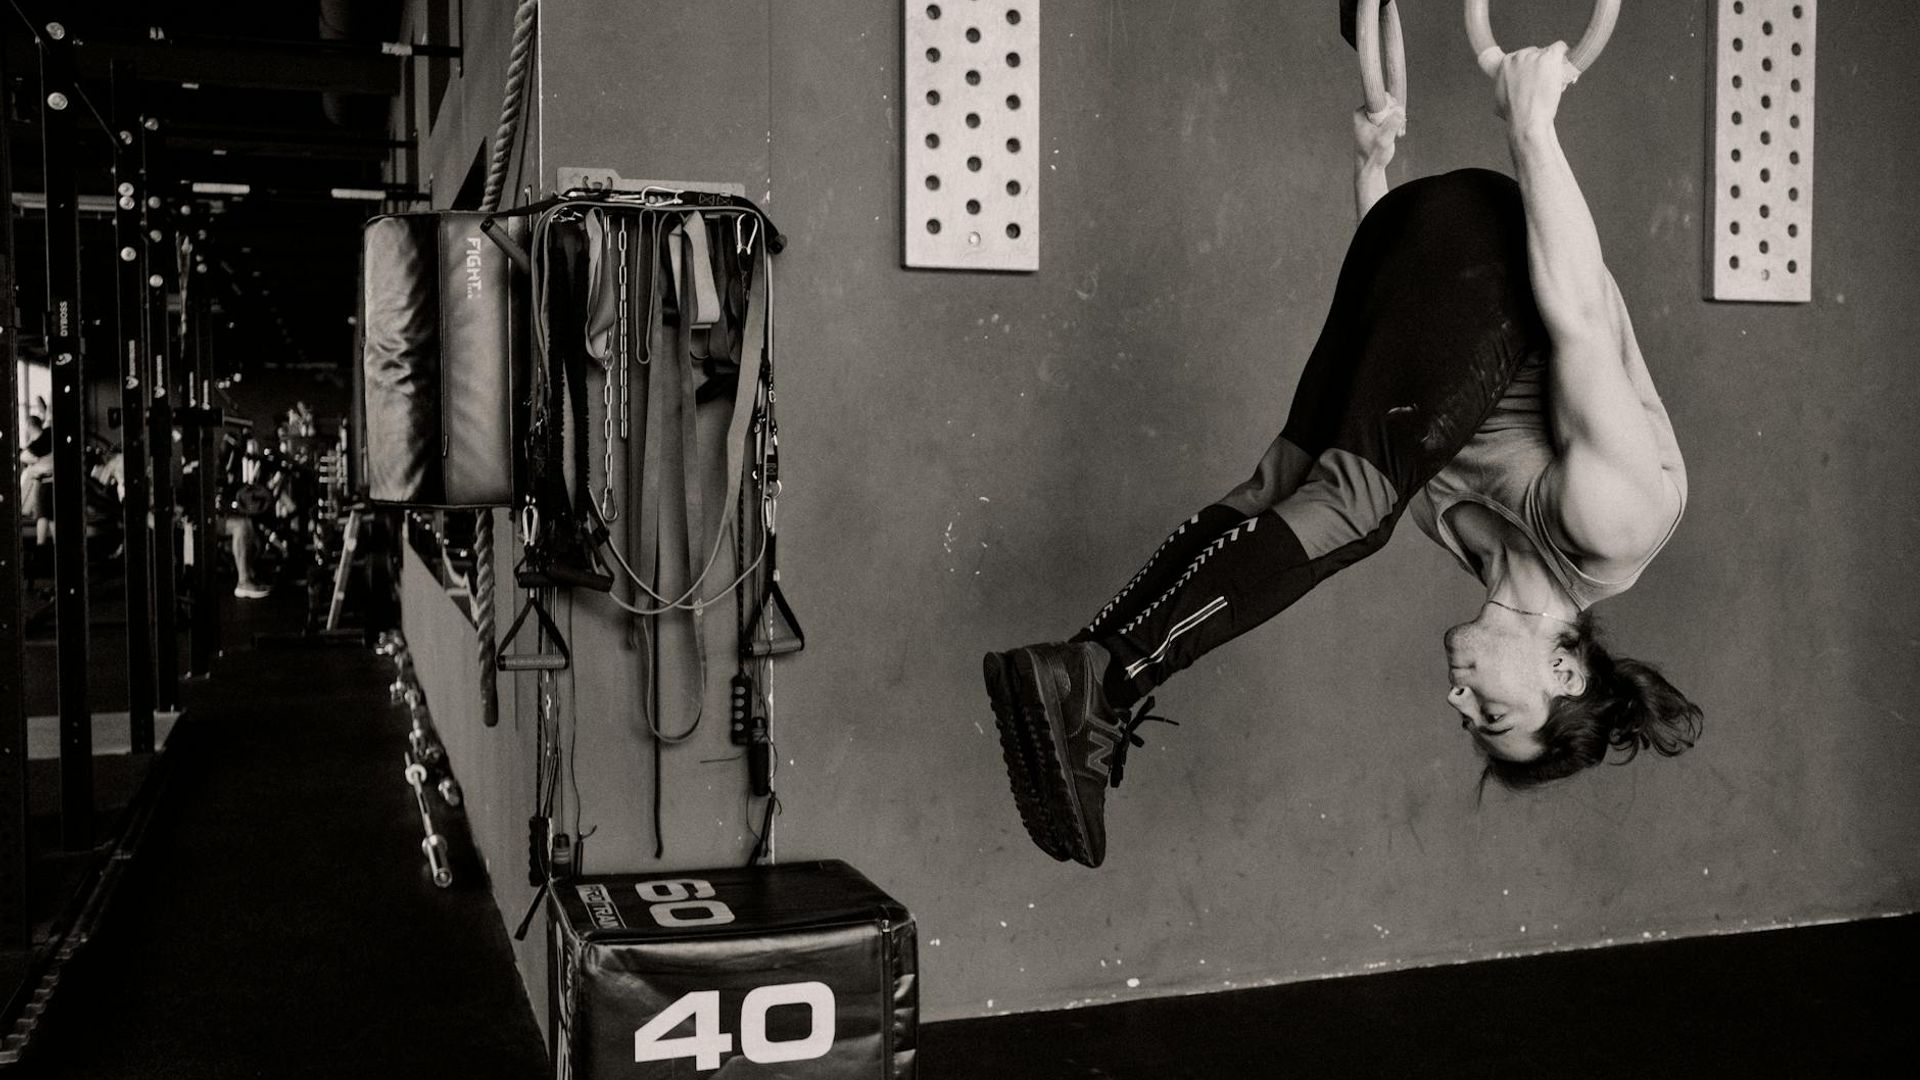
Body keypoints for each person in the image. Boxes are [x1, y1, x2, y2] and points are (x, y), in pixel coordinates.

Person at [984, 45, 1702, 868]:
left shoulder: (1466, 538)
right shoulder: (1616, 527)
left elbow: (1409, 361)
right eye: (1492, 714)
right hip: (1498, 238)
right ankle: (1102, 683)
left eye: (1467, 720)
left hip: (1403, 244)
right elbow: (1578, 313)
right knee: (1356, 511)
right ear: (1565, 674)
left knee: (1283, 486)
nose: (1457, 698)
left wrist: (1373, 178)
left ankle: (1078, 662)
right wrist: (1534, 125)